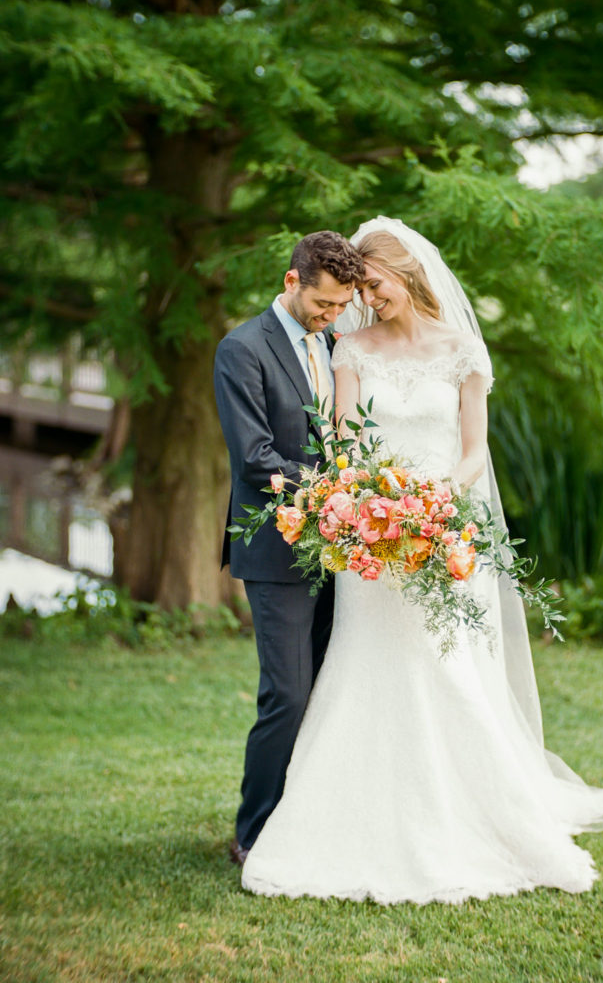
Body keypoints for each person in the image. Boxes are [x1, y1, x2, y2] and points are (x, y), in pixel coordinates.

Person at [239, 217, 603, 902]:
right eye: (358, 289)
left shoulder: (463, 351)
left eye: (375, 285)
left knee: (448, 671)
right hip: (371, 545)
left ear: (408, 275)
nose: (368, 299)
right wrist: (369, 506)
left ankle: (478, 813)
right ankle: (339, 817)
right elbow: (342, 446)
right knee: (359, 669)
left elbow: (470, 451)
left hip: (440, 531)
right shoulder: (350, 350)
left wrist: (435, 503)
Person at [213, 230, 365, 865]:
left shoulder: (335, 346)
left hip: (342, 546)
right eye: (324, 305)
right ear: (291, 281)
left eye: (341, 308)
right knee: (288, 693)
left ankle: (311, 818)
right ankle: (253, 831)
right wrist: (342, 487)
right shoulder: (241, 349)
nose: (333, 318)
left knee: (334, 685)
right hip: (276, 547)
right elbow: (254, 459)